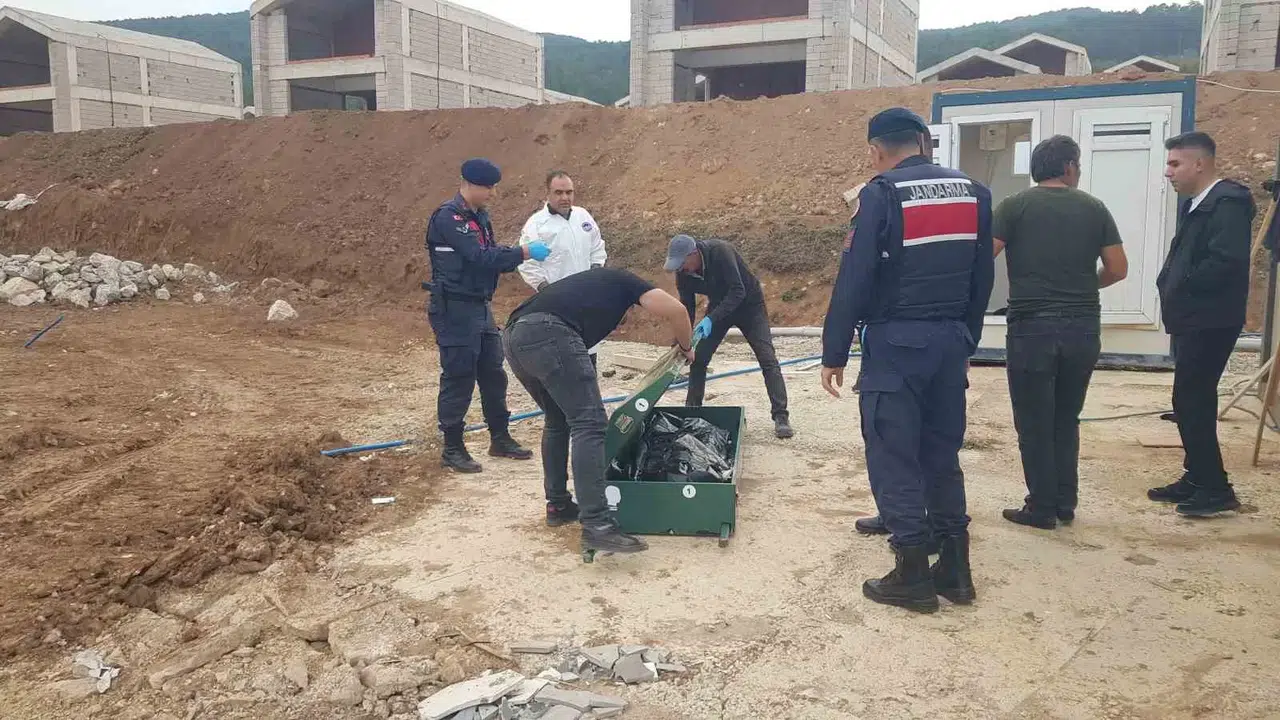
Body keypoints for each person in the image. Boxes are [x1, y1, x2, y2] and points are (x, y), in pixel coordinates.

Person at [821, 107, 994, 614]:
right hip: (950, 342)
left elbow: (855, 277)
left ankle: (912, 572)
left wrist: (834, 352)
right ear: (921, 141)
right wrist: (966, 341)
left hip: (896, 345)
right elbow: (982, 277)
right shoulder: (973, 192)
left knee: (893, 454)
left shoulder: (881, 194)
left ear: (876, 150)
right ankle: (955, 568)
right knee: (941, 454)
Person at [503, 267, 698, 553]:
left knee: (557, 420)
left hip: (513, 336)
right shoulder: (626, 282)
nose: (618, 326)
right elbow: (677, 311)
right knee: (590, 424)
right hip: (548, 332)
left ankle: (558, 505)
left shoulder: (585, 291)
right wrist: (686, 346)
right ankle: (597, 525)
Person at [993, 135, 1129, 529]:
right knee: (1066, 417)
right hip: (1082, 326)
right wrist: (1083, 286)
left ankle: (1041, 507)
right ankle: (1065, 502)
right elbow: (1118, 268)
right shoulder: (1094, 207)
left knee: (1034, 421)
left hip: (1031, 328)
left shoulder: (1013, 206)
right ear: (1069, 167)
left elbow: (983, 255)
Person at [1149, 131, 1255, 516]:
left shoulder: (1228, 203)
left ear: (1199, 163)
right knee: (1190, 400)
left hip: (1210, 319)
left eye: (1175, 163)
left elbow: (1225, 262)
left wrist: (1182, 286)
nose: (1168, 172)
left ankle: (1215, 488)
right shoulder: (1199, 204)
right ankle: (1196, 477)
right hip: (1193, 317)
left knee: (1192, 400)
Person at [424, 158, 551, 474]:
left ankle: (500, 437)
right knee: (458, 377)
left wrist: (512, 255)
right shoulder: (449, 217)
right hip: (454, 309)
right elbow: (479, 256)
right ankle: (452, 448)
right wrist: (523, 252)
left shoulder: (479, 217)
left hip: (479, 306)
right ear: (469, 184)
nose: (493, 193)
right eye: (488, 187)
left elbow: (491, 255)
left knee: (493, 374)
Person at [664, 234, 794, 439]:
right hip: (720, 307)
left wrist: (710, 319)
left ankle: (781, 416)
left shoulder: (720, 252)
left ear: (694, 254)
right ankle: (692, 414)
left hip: (750, 306)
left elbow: (737, 291)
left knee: (767, 359)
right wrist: (682, 341)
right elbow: (687, 308)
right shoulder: (684, 274)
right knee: (699, 360)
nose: (681, 269)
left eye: (682, 264)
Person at [517, 171, 609, 368]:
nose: (565, 197)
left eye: (569, 192)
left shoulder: (583, 216)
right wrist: (547, 291)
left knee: (588, 353)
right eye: (558, 192)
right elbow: (527, 264)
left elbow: (597, 247)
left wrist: (595, 274)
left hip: (587, 297)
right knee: (564, 355)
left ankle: (590, 388)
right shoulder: (536, 225)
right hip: (558, 304)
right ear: (547, 194)